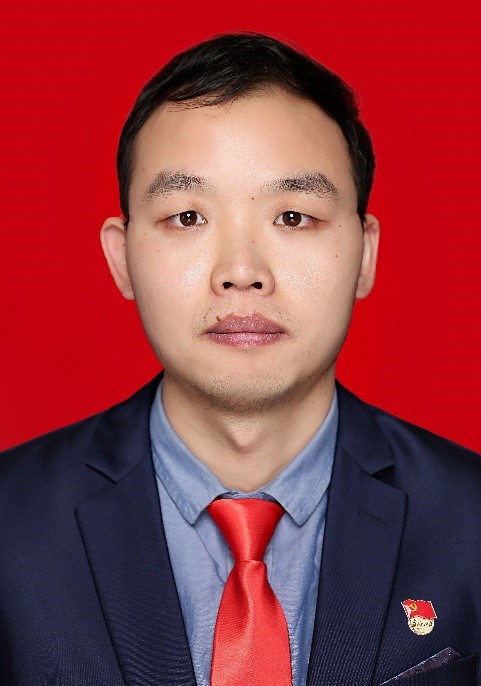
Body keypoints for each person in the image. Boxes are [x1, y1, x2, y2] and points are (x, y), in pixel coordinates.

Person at [1, 32, 480, 686]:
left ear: (365, 254)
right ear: (122, 257)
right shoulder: (12, 525)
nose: (241, 270)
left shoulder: (469, 520)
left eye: (293, 217)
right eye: (187, 217)